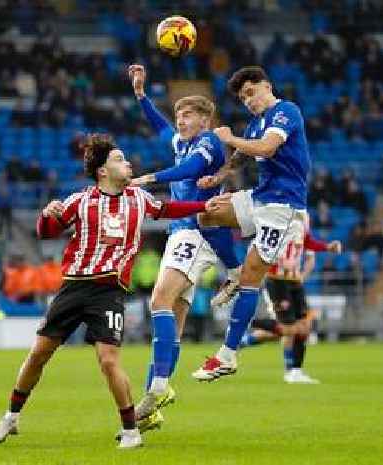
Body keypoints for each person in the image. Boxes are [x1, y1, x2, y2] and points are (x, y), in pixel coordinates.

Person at [0, 133, 212, 449]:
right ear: (103, 171)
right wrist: (47, 215)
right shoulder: (79, 201)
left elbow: (170, 209)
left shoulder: (139, 198)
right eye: (120, 159)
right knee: (39, 354)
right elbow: (46, 232)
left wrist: (205, 204)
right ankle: (11, 416)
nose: (128, 163)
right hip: (74, 287)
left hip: (108, 292)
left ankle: (131, 431)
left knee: (109, 361)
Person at [124, 64, 242, 432]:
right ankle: (152, 406)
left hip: (193, 232)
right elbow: (160, 129)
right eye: (179, 114)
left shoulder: (208, 144)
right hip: (184, 235)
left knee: (158, 300)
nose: (180, 120)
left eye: (187, 114)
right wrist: (141, 96)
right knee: (171, 325)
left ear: (205, 120)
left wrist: (151, 177)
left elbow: (190, 170)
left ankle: (157, 389)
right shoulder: (181, 140)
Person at [186, 66, 313, 382]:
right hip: (260, 198)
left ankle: (227, 356)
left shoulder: (286, 111)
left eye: (251, 92)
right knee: (206, 213)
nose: (248, 100)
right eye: (243, 97)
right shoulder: (257, 124)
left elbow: (267, 147)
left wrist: (229, 137)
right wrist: (217, 177)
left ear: (267, 86)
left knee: (252, 276)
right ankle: (231, 272)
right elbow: (242, 158)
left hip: (283, 206)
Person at [240, 234, 342, 384]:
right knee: (289, 329)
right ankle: (291, 371)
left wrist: (302, 276)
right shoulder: (275, 226)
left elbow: (309, 256)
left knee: (299, 327)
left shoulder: (302, 224)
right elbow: (256, 254)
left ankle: (243, 338)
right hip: (276, 282)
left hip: (294, 283)